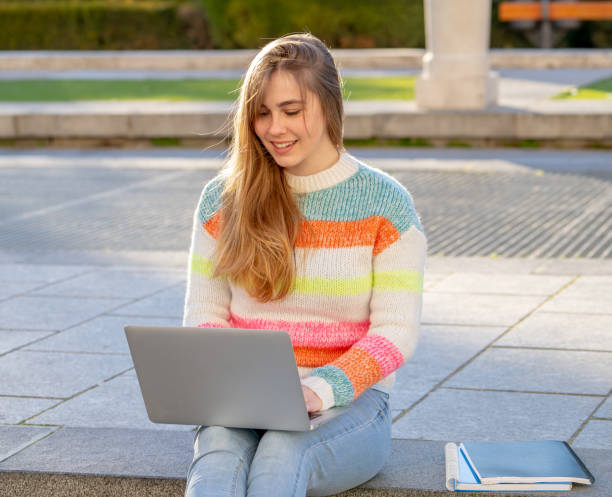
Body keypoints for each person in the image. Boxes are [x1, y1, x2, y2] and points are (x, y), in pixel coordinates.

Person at [182, 32, 427, 497]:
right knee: (216, 464)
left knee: (281, 455)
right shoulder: (222, 199)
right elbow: (204, 316)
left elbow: (396, 332)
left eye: (292, 111)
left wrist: (320, 389)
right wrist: (234, 390)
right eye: (262, 112)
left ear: (331, 107)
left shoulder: (386, 204)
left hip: (350, 401)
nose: (275, 128)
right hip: (242, 399)